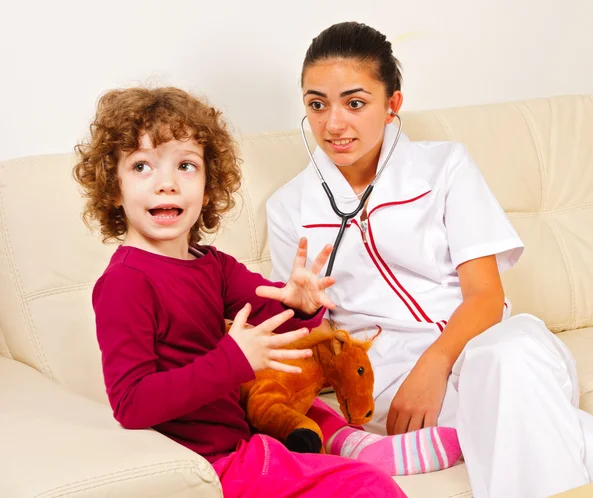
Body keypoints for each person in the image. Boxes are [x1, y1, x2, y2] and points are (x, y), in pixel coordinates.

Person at [266, 21, 593, 498]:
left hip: (494, 346)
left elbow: (486, 296)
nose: (333, 124)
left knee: (510, 358)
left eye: (355, 103)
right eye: (317, 104)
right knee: (536, 427)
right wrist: (301, 312)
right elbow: (309, 344)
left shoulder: (445, 166)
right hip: (394, 387)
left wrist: (435, 365)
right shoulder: (289, 208)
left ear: (392, 105)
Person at [73, 86, 406, 498]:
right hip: (208, 461)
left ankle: (346, 440)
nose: (166, 184)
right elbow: (131, 403)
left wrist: (299, 305)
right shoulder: (126, 282)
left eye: (186, 166)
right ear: (113, 189)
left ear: (209, 187)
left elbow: (272, 314)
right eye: (142, 166)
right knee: (366, 485)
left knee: (317, 421)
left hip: (240, 442)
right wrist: (233, 361)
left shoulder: (212, 264)